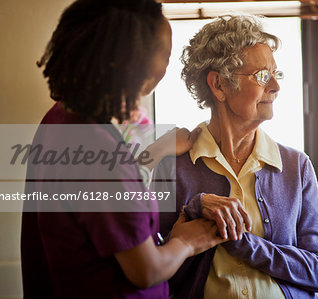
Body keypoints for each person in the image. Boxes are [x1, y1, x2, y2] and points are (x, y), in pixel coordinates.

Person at [20, 0, 224, 298]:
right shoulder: (98, 151)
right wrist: (186, 242)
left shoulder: (62, 118)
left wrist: (156, 152)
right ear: (131, 63)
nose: (167, 67)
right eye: (164, 53)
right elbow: (146, 271)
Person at [156, 15, 318, 299]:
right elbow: (154, 272)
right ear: (219, 86)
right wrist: (193, 214)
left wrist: (243, 243)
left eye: (276, 74)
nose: (275, 87)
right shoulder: (171, 167)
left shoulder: (295, 166)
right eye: (262, 75)